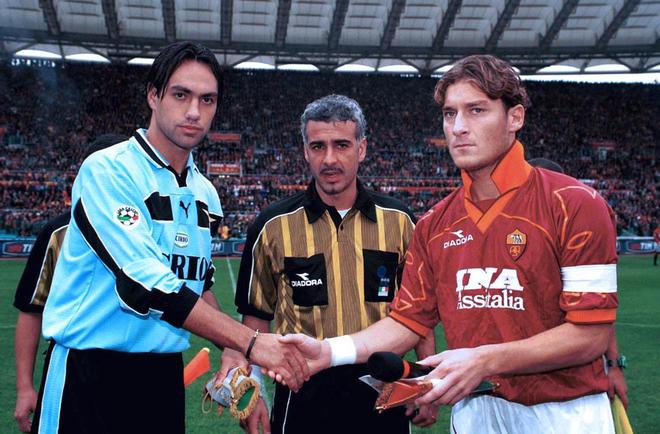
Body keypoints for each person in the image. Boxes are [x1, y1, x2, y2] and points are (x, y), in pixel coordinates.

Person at [282, 55, 619, 433]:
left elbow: (591, 335)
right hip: (474, 414)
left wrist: (485, 360)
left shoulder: (575, 204)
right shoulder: (434, 224)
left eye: (476, 110)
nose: (458, 127)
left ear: (515, 117)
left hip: (564, 414)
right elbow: (406, 322)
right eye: (449, 114)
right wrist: (329, 351)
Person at [31, 41, 308, 434]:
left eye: (207, 100)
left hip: (162, 378)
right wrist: (251, 341)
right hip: (89, 373)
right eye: (181, 95)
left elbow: (197, 286)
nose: (194, 111)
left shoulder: (205, 193)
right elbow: (145, 282)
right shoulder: (108, 170)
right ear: (153, 95)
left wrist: (234, 353)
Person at [217, 94, 437, 434]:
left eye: (342, 145)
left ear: (361, 149)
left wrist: (424, 381)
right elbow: (256, 318)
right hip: (302, 390)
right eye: (318, 146)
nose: (330, 158)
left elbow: (419, 312)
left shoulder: (400, 221)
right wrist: (253, 385)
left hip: (383, 388)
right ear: (305, 151)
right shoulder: (272, 225)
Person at [13, 133, 127, 433]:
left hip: (139, 369)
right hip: (76, 367)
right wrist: (25, 387)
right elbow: (31, 309)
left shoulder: (152, 227)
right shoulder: (58, 232)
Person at [529, 157, 628, 409]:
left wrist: (614, 365)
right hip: (510, 386)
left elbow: (598, 311)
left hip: (573, 384)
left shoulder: (577, 226)